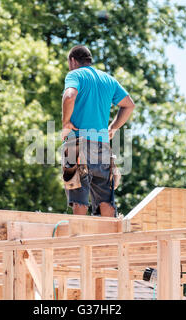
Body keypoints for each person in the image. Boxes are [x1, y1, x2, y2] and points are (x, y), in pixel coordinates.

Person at [61, 45, 136, 217]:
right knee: (105, 200)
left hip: (76, 144)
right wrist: (114, 127)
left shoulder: (75, 75)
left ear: (72, 61)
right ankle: (108, 240)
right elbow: (129, 105)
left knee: (79, 199)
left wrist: (66, 123)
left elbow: (69, 95)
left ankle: (77, 239)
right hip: (102, 146)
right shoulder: (108, 80)